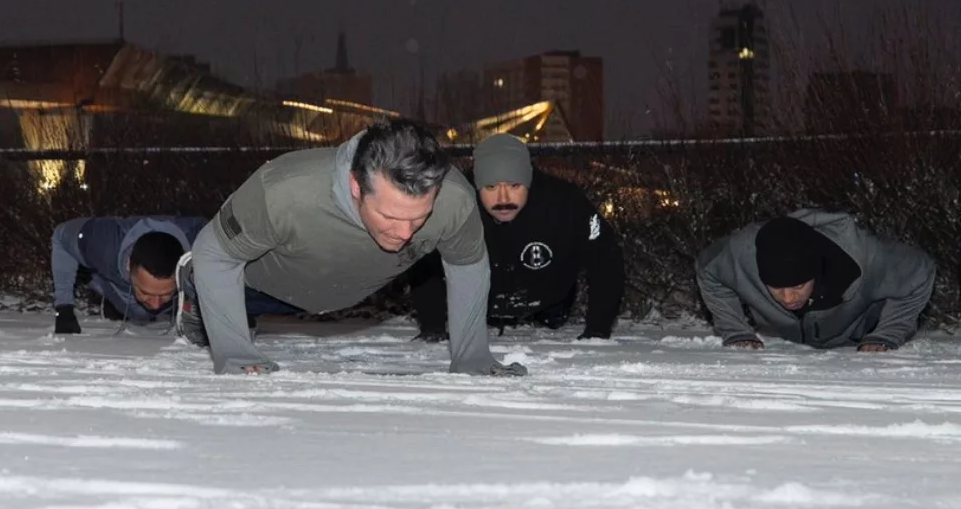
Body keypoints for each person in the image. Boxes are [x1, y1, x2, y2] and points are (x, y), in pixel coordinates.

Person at [180, 118, 528, 376]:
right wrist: (235, 353)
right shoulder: (281, 193)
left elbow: (468, 267)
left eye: (419, 218)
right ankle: (193, 286)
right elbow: (216, 252)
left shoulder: (455, 203)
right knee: (217, 281)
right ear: (356, 187)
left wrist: (472, 357)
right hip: (259, 285)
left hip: (348, 289)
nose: (405, 233)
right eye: (390, 216)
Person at [408, 133, 624, 342]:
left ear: (528, 182)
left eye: (514, 186)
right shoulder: (451, 204)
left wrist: (598, 329)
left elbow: (606, 259)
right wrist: (433, 326)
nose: (503, 198)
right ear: (476, 185)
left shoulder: (565, 203)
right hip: (477, 310)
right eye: (491, 187)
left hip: (549, 307)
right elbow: (422, 262)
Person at [695, 210, 936, 350]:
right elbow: (708, 271)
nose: (788, 298)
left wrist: (886, 334)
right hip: (785, 339)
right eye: (776, 288)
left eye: (798, 286)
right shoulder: (740, 253)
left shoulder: (867, 257)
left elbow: (921, 271)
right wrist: (736, 331)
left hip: (852, 335)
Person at [49, 215, 300, 334]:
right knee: (139, 310)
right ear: (129, 266)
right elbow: (60, 236)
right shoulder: (101, 243)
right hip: (117, 287)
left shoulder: (207, 243)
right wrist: (64, 306)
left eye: (165, 293)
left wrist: (237, 310)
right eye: (147, 292)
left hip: (194, 279)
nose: (157, 303)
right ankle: (115, 299)